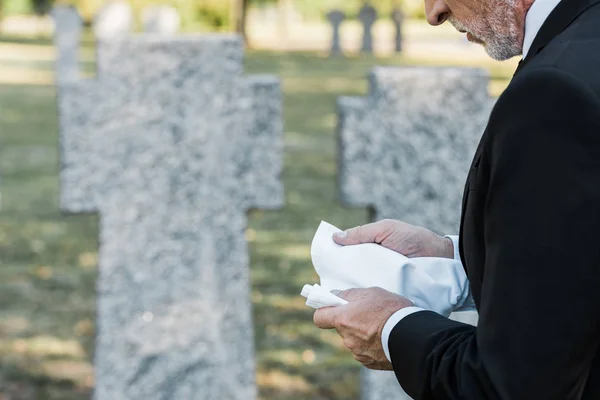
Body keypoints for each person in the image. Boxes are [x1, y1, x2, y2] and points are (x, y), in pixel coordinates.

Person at [312, 0, 600, 396]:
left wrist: (393, 330)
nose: (435, 12)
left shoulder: (554, 92)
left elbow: (513, 386)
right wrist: (454, 261)